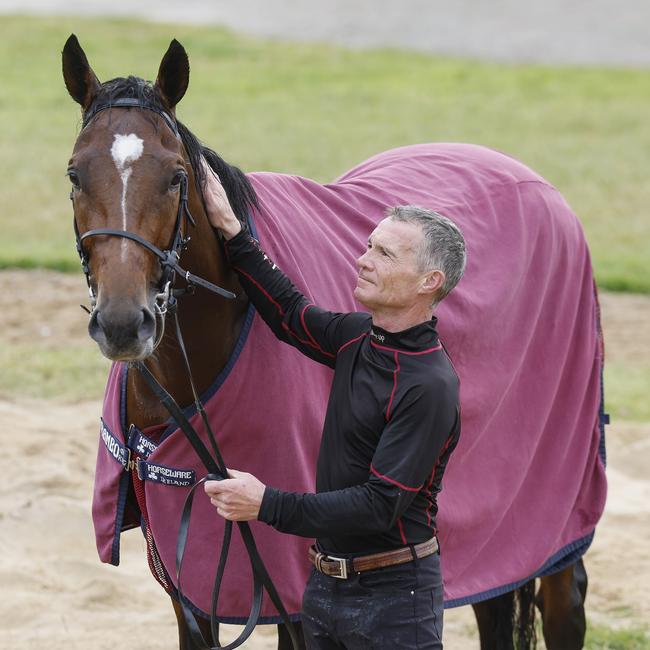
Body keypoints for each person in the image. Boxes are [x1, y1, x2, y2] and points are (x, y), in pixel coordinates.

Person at [202, 168, 466, 649]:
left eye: (384, 254)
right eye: (369, 246)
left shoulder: (429, 385)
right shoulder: (358, 337)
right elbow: (289, 314)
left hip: (394, 599)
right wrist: (232, 230)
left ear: (430, 280)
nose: (363, 260)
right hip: (325, 588)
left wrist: (265, 504)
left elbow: (379, 505)